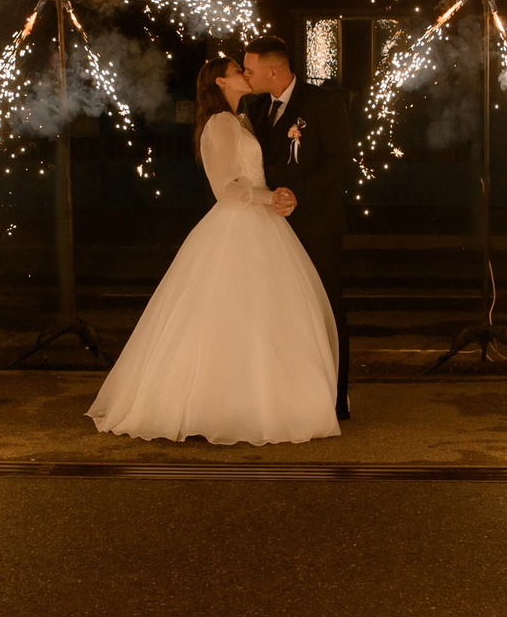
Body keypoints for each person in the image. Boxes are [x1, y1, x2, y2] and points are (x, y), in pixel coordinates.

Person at [86, 55, 341, 445]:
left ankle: (262, 399)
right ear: (221, 83)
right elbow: (226, 189)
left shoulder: (241, 118)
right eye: (238, 71)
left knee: (262, 315)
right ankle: (227, 403)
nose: (245, 74)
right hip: (241, 222)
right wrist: (267, 196)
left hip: (261, 222)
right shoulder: (222, 123)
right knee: (231, 313)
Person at [242, 33, 353, 420]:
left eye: (250, 69)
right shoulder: (256, 110)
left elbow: (340, 161)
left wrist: (298, 195)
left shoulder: (323, 101)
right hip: (270, 227)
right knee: (282, 310)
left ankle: (336, 400)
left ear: (274, 70)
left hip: (316, 223)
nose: (246, 75)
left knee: (325, 308)